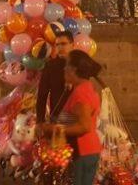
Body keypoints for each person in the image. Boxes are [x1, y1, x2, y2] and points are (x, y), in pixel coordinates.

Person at [42, 50, 102, 185]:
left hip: (82, 150)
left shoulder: (81, 93)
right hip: (88, 150)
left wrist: (53, 129)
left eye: (66, 65)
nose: (64, 68)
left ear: (73, 69)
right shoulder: (86, 87)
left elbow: (84, 126)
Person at [36, 31, 74, 123]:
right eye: (57, 45)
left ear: (72, 45)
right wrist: (40, 121)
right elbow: (42, 95)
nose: (60, 47)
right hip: (57, 117)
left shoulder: (80, 64)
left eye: (63, 44)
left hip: (77, 116)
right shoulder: (50, 66)